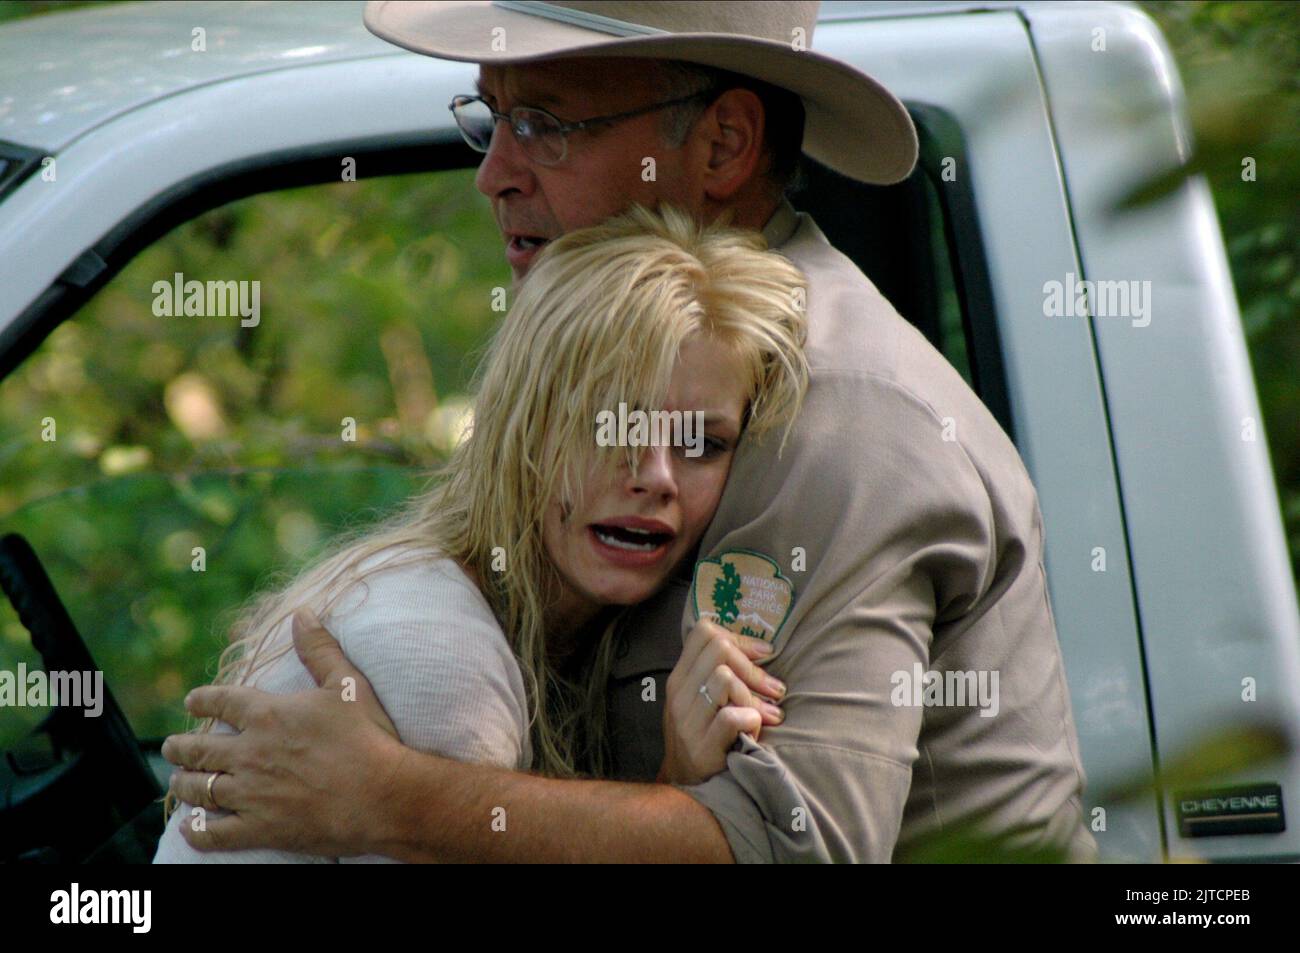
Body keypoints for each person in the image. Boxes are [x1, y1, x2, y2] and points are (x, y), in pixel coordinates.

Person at [163, 0, 1098, 863]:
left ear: (725, 142)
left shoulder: (840, 408)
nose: (495, 173)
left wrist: (392, 796)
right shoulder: (654, 355)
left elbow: (797, 844)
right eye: (493, 116)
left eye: (546, 124)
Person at [153, 203, 809, 862]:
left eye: (703, 443)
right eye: (611, 426)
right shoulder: (439, 656)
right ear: (523, 424)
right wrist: (681, 795)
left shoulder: (532, 621)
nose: (656, 475)